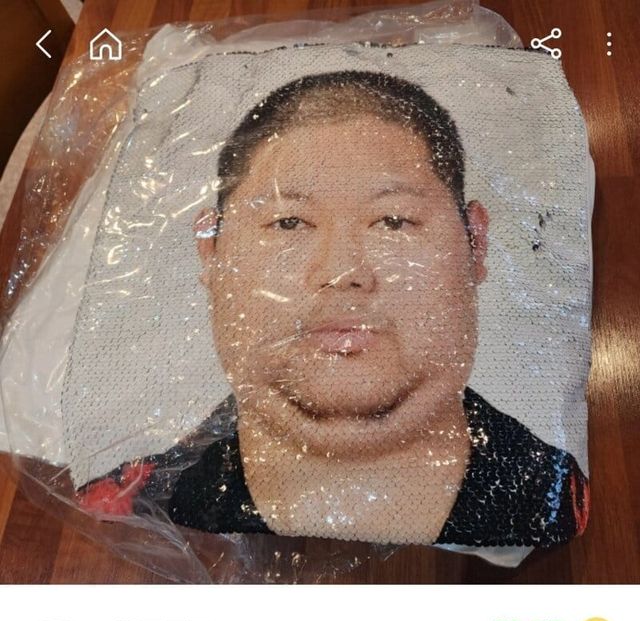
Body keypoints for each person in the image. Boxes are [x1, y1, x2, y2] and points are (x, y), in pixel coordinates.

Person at [80, 70, 589, 547]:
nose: (343, 271)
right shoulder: (115, 517)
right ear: (211, 251)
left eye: (393, 221)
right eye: (289, 223)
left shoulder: (566, 507)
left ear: (474, 241)